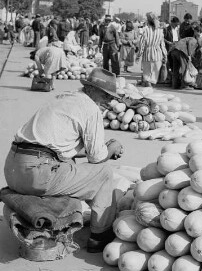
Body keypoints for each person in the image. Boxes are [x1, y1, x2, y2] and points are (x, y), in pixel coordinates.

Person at [4, 68, 124, 252]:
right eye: (106, 95)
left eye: (111, 97)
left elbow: (61, 149)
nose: (109, 101)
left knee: (69, 165)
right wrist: (112, 149)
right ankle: (100, 235)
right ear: (91, 89)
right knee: (105, 172)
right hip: (37, 172)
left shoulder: (65, 98)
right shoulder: (91, 108)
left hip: (13, 168)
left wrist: (102, 148)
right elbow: (97, 158)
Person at [136, 12, 167, 87]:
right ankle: (150, 86)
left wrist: (138, 55)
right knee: (154, 74)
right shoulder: (160, 31)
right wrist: (165, 55)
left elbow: (142, 44)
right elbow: (162, 45)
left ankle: (147, 85)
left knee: (147, 73)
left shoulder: (145, 30)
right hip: (157, 54)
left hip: (147, 54)